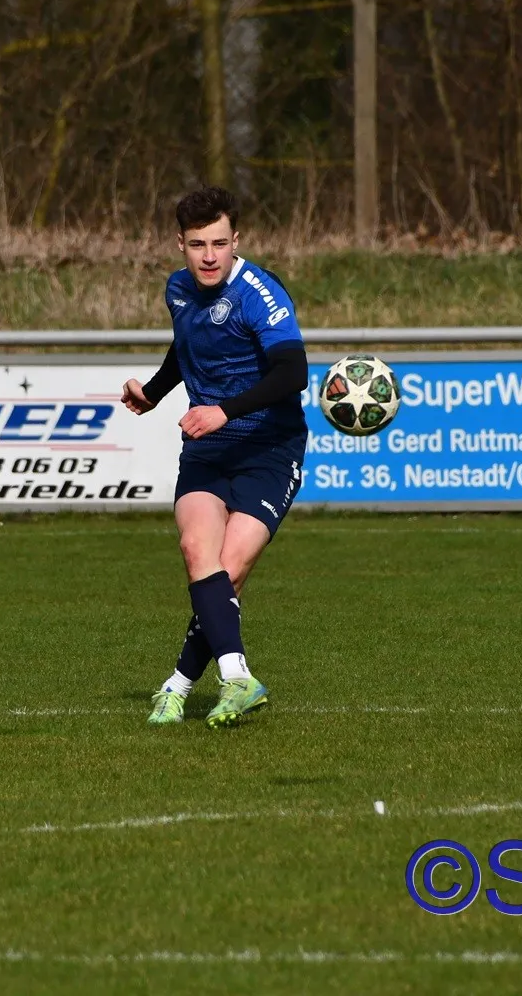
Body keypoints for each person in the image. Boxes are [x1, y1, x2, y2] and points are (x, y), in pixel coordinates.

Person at [121, 186, 308, 729]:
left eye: (220, 244)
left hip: (269, 448)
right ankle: (237, 677)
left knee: (229, 570)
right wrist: (154, 393)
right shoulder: (178, 289)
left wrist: (224, 411)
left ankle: (178, 685)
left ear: (236, 241)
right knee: (195, 549)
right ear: (180, 243)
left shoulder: (260, 293)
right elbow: (187, 348)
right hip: (207, 448)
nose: (209, 256)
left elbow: (292, 372)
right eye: (198, 244)